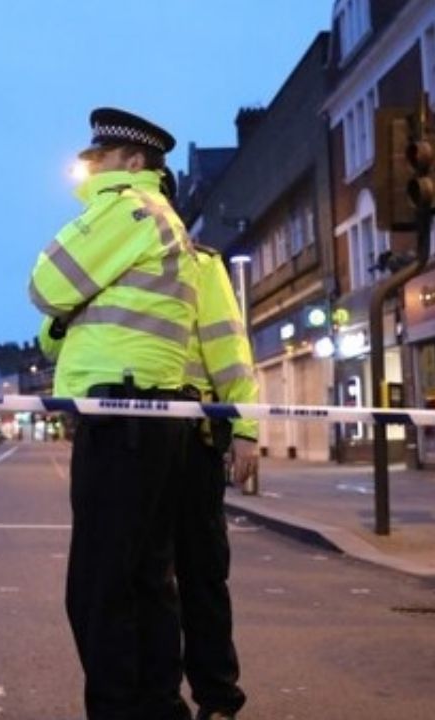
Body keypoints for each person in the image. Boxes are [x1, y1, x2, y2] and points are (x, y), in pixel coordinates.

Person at [29, 108, 198, 720]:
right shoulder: (156, 218)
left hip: (125, 414)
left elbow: (47, 285)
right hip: (150, 412)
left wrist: (87, 223)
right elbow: (57, 325)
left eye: (99, 155)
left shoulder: (128, 210)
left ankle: (119, 711)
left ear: (132, 162)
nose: (89, 163)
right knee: (146, 577)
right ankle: (157, 706)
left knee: (100, 587)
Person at [174, 240, 260, 720]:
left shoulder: (199, 263)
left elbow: (230, 347)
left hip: (193, 441)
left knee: (202, 577)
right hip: (130, 443)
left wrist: (245, 429)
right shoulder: (111, 254)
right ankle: (161, 699)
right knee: (146, 582)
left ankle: (218, 698)